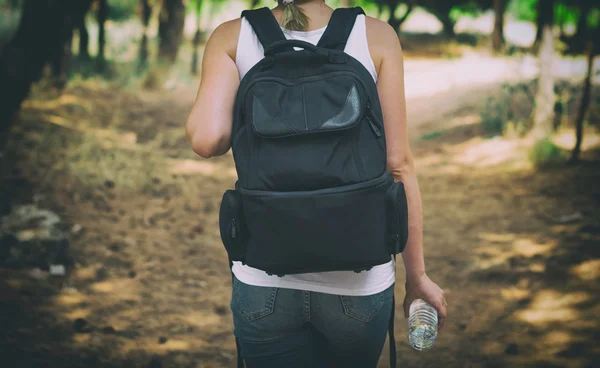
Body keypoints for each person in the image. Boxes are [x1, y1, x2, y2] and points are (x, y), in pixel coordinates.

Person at [185, 1, 447, 367]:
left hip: (264, 282)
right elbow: (399, 166)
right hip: (359, 286)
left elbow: (206, 139)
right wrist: (417, 277)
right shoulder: (376, 36)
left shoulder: (232, 37)